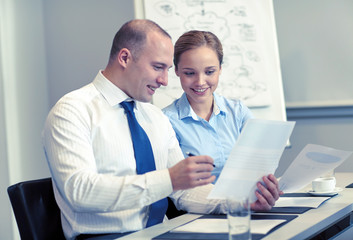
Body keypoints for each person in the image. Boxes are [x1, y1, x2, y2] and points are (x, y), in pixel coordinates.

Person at [42, 20, 280, 240]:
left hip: (160, 233)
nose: (165, 81)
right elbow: (80, 192)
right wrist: (168, 179)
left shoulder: (154, 117)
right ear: (125, 58)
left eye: (168, 69)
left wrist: (240, 202)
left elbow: (185, 193)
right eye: (158, 67)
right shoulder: (72, 111)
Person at [163, 30, 282, 200]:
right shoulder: (167, 121)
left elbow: (261, 164)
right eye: (190, 73)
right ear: (176, 71)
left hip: (247, 204)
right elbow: (179, 191)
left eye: (209, 72)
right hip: (199, 214)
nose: (200, 82)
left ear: (220, 69)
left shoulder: (238, 111)